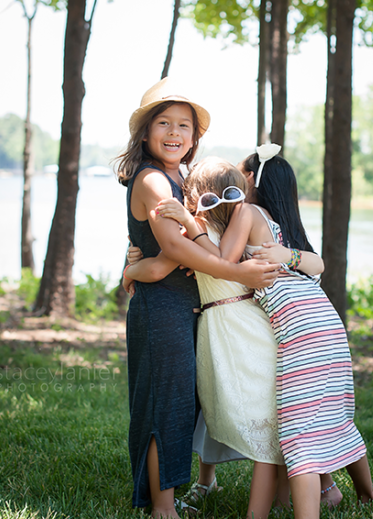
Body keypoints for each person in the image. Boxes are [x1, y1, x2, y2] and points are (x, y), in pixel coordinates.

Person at [157, 144, 373, 519]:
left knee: (294, 426)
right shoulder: (281, 224)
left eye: (239, 179)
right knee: (329, 414)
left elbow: (222, 261)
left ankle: (310, 493)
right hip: (323, 319)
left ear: (249, 181)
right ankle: (356, 495)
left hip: (296, 326)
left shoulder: (247, 211)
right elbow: (317, 263)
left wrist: (191, 224)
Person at [125, 157, 341, 518]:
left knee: (264, 410)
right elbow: (174, 260)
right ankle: (293, 491)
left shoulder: (224, 229)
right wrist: (134, 263)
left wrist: (133, 268)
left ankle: (295, 493)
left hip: (237, 326)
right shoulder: (230, 227)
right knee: (257, 407)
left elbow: (174, 263)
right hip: (237, 325)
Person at [116, 77, 278, 518]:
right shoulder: (152, 180)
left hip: (192, 305)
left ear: (194, 137)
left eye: (183, 126)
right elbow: (174, 248)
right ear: (146, 133)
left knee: (188, 403)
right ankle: (162, 507)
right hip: (162, 308)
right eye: (163, 123)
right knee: (163, 404)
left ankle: (192, 483)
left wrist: (140, 261)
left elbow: (199, 235)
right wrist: (236, 270)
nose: (173, 133)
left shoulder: (184, 178)